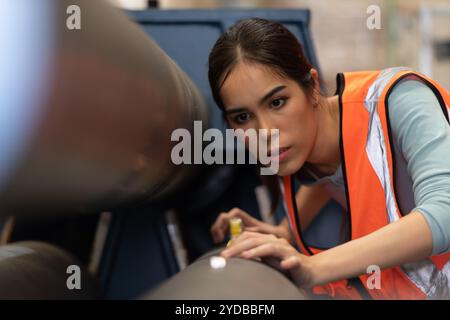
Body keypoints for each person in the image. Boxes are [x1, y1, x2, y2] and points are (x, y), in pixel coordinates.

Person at [207, 17, 450, 299]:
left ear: (311, 86)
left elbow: (445, 212)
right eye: (242, 117)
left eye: (277, 102)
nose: (265, 132)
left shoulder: (400, 100)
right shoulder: (310, 150)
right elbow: (334, 173)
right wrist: (283, 233)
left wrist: (313, 267)